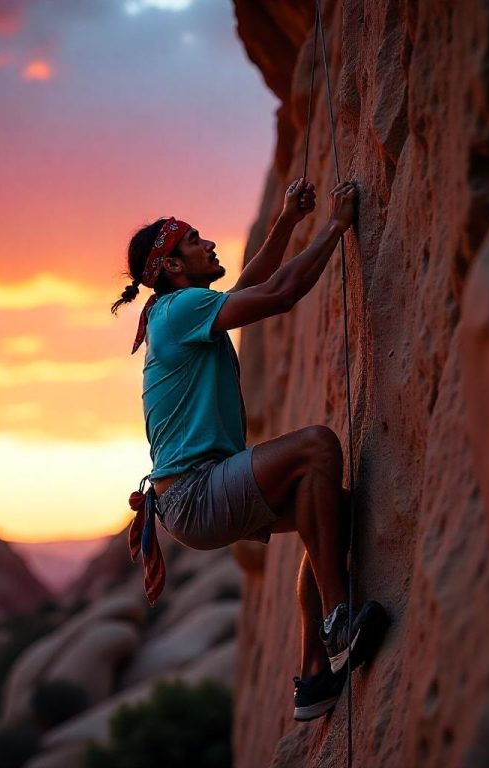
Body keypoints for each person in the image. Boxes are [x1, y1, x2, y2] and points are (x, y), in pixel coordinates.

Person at [112, 178, 388, 721]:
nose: (209, 243)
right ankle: (338, 619)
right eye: (195, 241)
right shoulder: (179, 311)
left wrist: (286, 221)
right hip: (196, 493)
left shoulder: (180, 311)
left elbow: (249, 286)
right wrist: (335, 226)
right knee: (317, 447)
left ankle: (314, 677)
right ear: (172, 266)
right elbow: (279, 295)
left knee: (330, 512)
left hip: (194, 496)